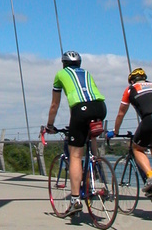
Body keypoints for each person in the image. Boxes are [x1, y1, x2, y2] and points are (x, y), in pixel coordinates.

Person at [44, 50, 106, 215]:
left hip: (81, 110)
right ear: (79, 64)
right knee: (88, 135)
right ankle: (95, 161)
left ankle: (75, 199)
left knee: (75, 155)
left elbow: (54, 105)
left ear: (64, 64)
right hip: (100, 107)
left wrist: (50, 125)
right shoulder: (86, 73)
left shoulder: (60, 74)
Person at [113, 67, 152, 194]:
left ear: (131, 81)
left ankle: (151, 176)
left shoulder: (130, 89)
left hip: (151, 118)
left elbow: (121, 113)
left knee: (137, 148)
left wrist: (115, 131)